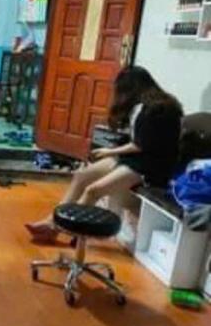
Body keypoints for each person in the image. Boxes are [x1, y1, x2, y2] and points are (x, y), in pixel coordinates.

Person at [26, 66, 183, 243]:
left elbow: (141, 144)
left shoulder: (157, 109)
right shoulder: (149, 105)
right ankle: (52, 220)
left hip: (152, 165)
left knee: (93, 190)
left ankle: (56, 228)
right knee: (82, 175)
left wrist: (110, 151)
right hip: (136, 158)